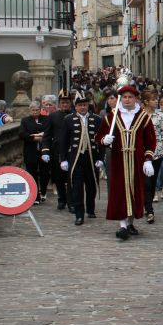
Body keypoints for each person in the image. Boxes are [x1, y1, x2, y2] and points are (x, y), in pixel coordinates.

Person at [96, 84, 157, 240]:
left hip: (136, 161)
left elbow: (150, 141)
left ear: (135, 99)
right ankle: (122, 225)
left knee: (135, 190)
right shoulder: (112, 117)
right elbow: (98, 137)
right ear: (120, 99)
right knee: (119, 191)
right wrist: (105, 139)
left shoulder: (143, 117)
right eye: (124, 97)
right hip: (118, 161)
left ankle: (130, 223)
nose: (127, 100)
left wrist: (148, 159)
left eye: (130, 97)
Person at [60, 91, 103, 226]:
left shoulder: (96, 119)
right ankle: (79, 214)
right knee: (77, 187)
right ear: (76, 106)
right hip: (76, 158)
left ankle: (90, 209)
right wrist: (63, 159)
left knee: (91, 186)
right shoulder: (68, 120)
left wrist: (101, 158)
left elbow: (101, 141)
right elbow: (64, 141)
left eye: (85, 105)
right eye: (80, 105)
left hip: (91, 158)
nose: (83, 107)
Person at [41, 90, 74, 211]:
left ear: (71, 103)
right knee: (59, 178)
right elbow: (47, 135)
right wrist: (45, 151)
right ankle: (62, 199)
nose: (65, 104)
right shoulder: (53, 116)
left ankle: (72, 202)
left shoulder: (75, 115)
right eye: (63, 102)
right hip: (57, 151)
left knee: (72, 179)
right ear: (59, 104)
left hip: (72, 151)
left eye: (67, 102)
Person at [141, 90, 163, 221]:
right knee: (146, 182)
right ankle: (149, 210)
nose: (155, 101)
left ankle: (148, 204)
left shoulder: (160, 115)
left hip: (157, 152)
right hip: (144, 152)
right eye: (153, 99)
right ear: (146, 102)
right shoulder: (139, 115)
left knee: (152, 181)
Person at [19, 101, 49, 204]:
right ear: (30, 110)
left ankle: (43, 191)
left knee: (44, 172)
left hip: (44, 150)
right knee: (32, 174)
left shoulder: (46, 119)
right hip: (30, 151)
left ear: (40, 110)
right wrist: (35, 137)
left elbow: (48, 132)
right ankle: (35, 196)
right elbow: (22, 134)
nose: (35, 112)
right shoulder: (25, 121)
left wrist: (41, 137)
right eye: (33, 110)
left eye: (37, 110)